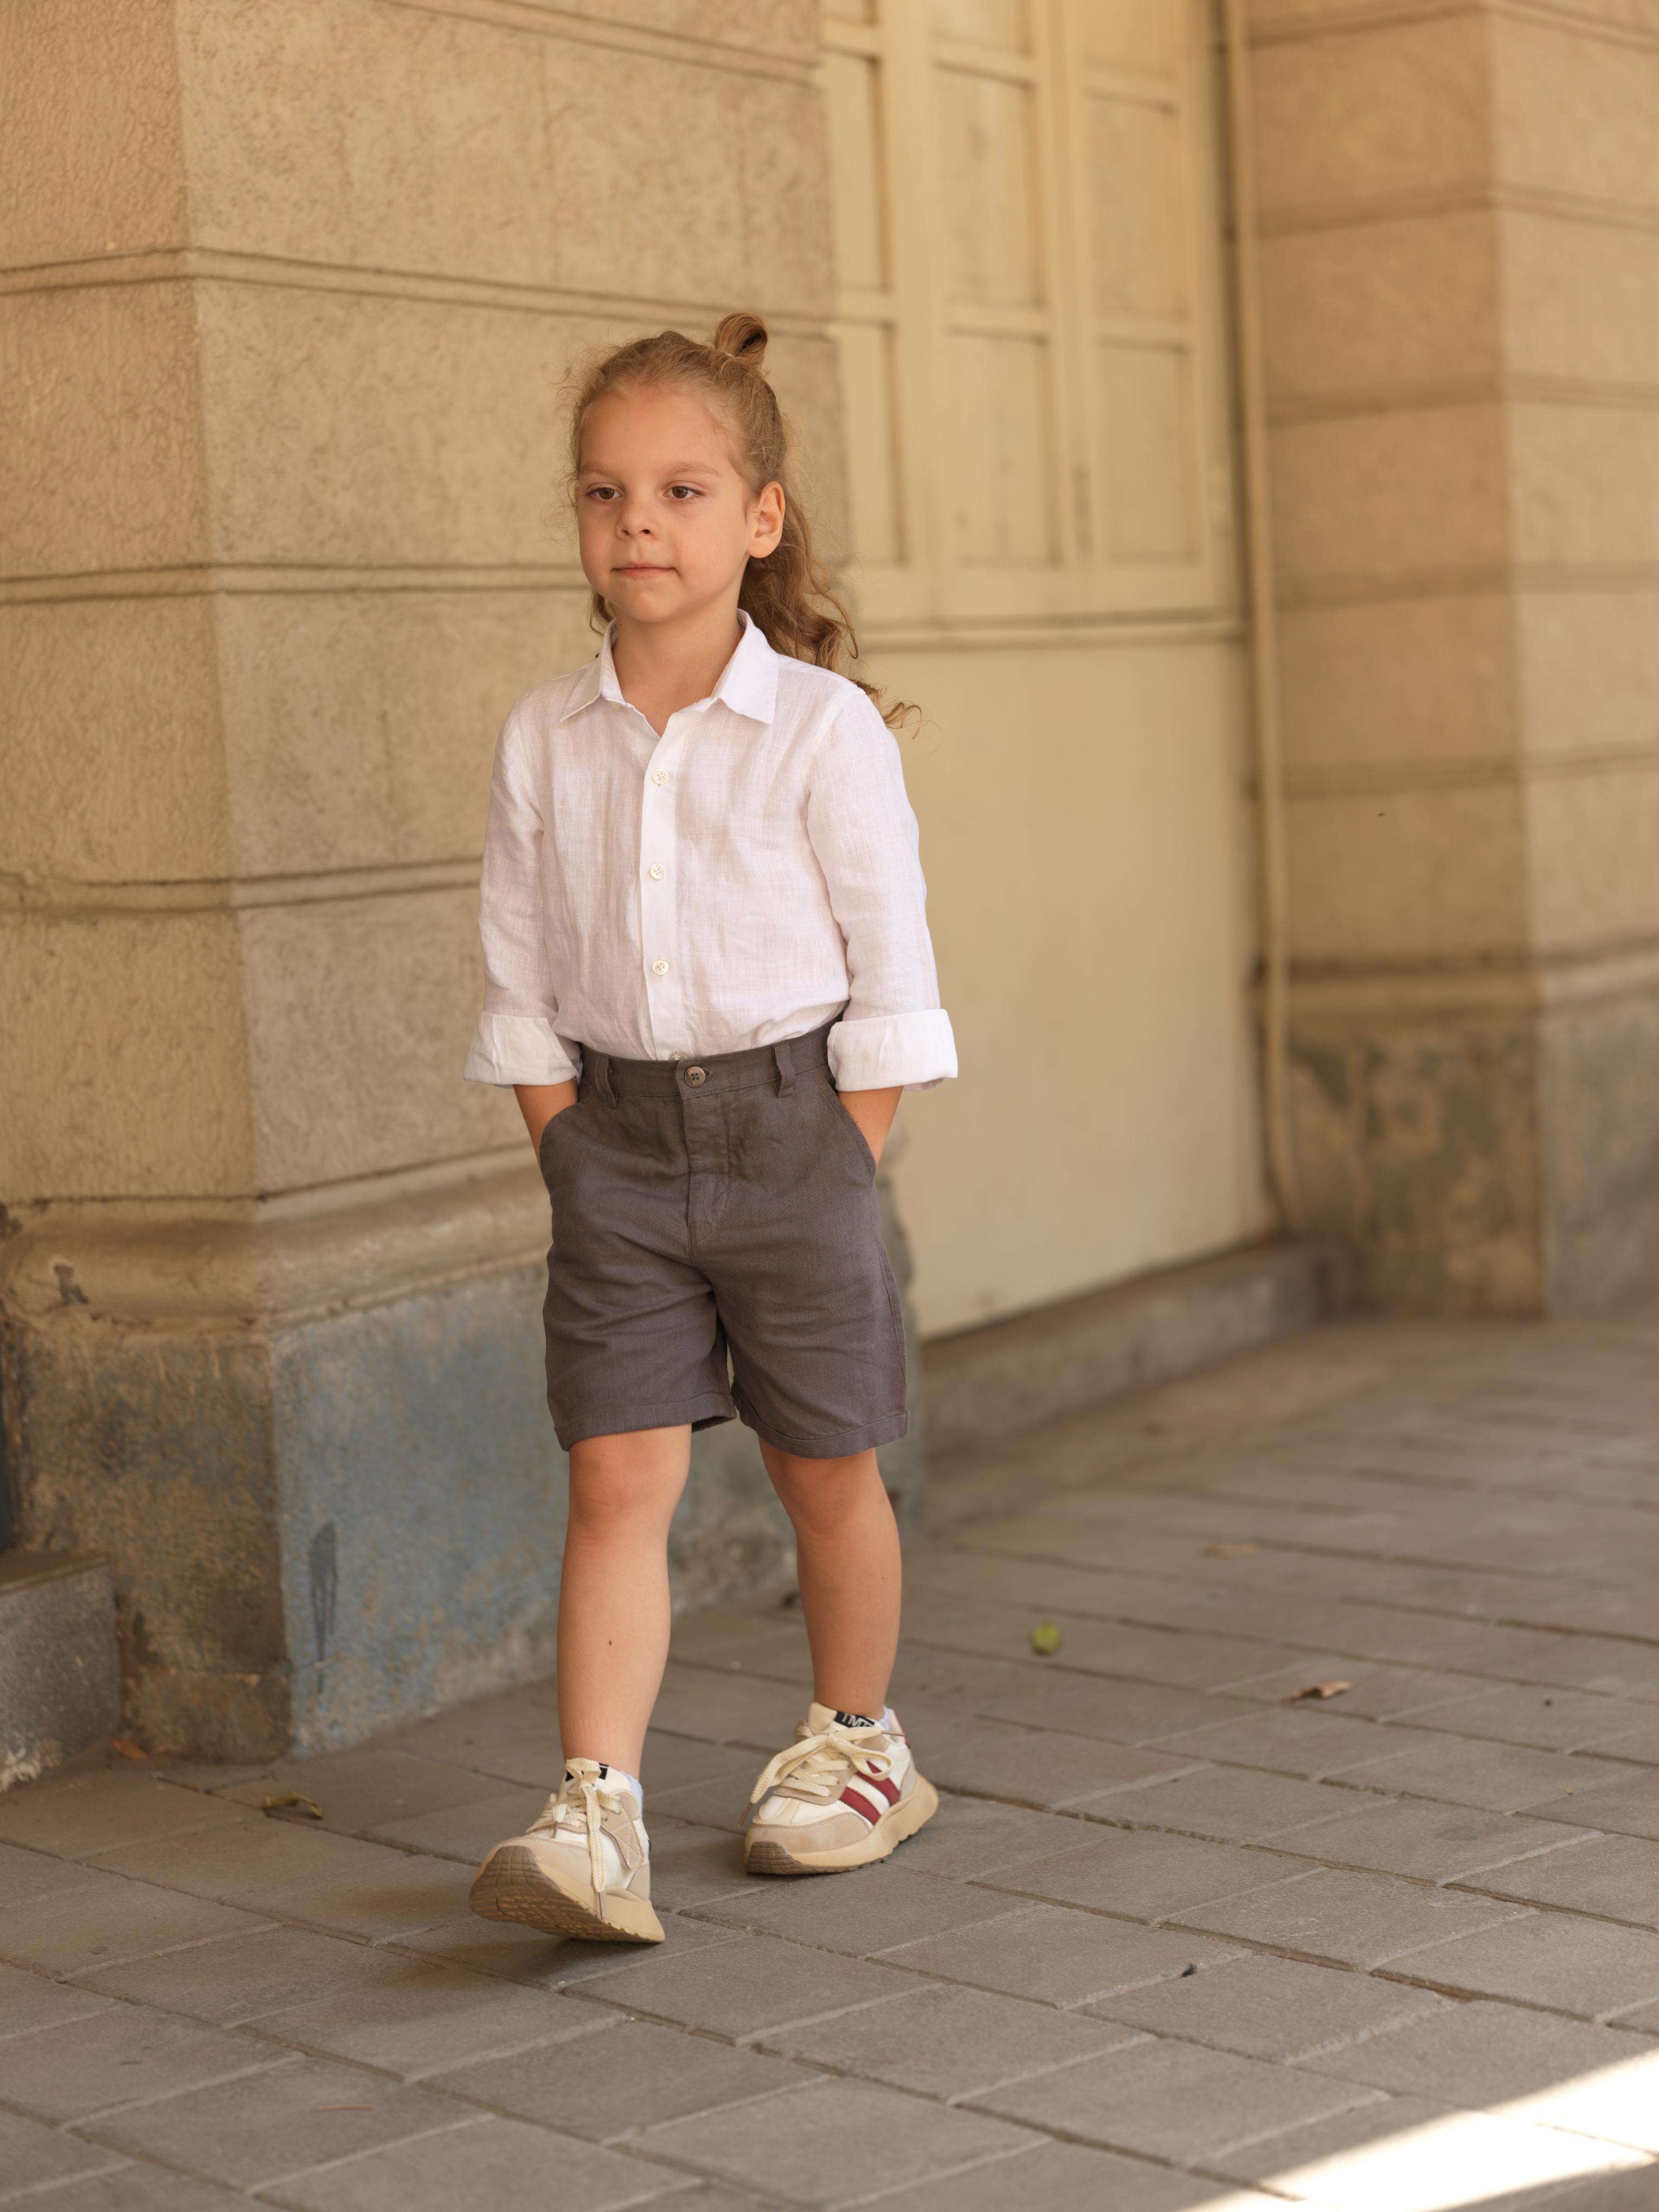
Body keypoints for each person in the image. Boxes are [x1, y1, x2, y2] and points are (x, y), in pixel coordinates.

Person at [460, 312, 957, 1944]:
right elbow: (522, 970)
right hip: (613, 1146)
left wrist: (838, 1153)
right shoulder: (547, 733)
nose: (637, 527)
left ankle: (857, 1745)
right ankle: (596, 1806)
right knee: (615, 1475)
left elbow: (891, 973)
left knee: (827, 1466)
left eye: (680, 491)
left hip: (793, 1129)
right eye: (605, 494)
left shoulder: (817, 729)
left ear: (759, 515)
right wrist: (565, 1147)